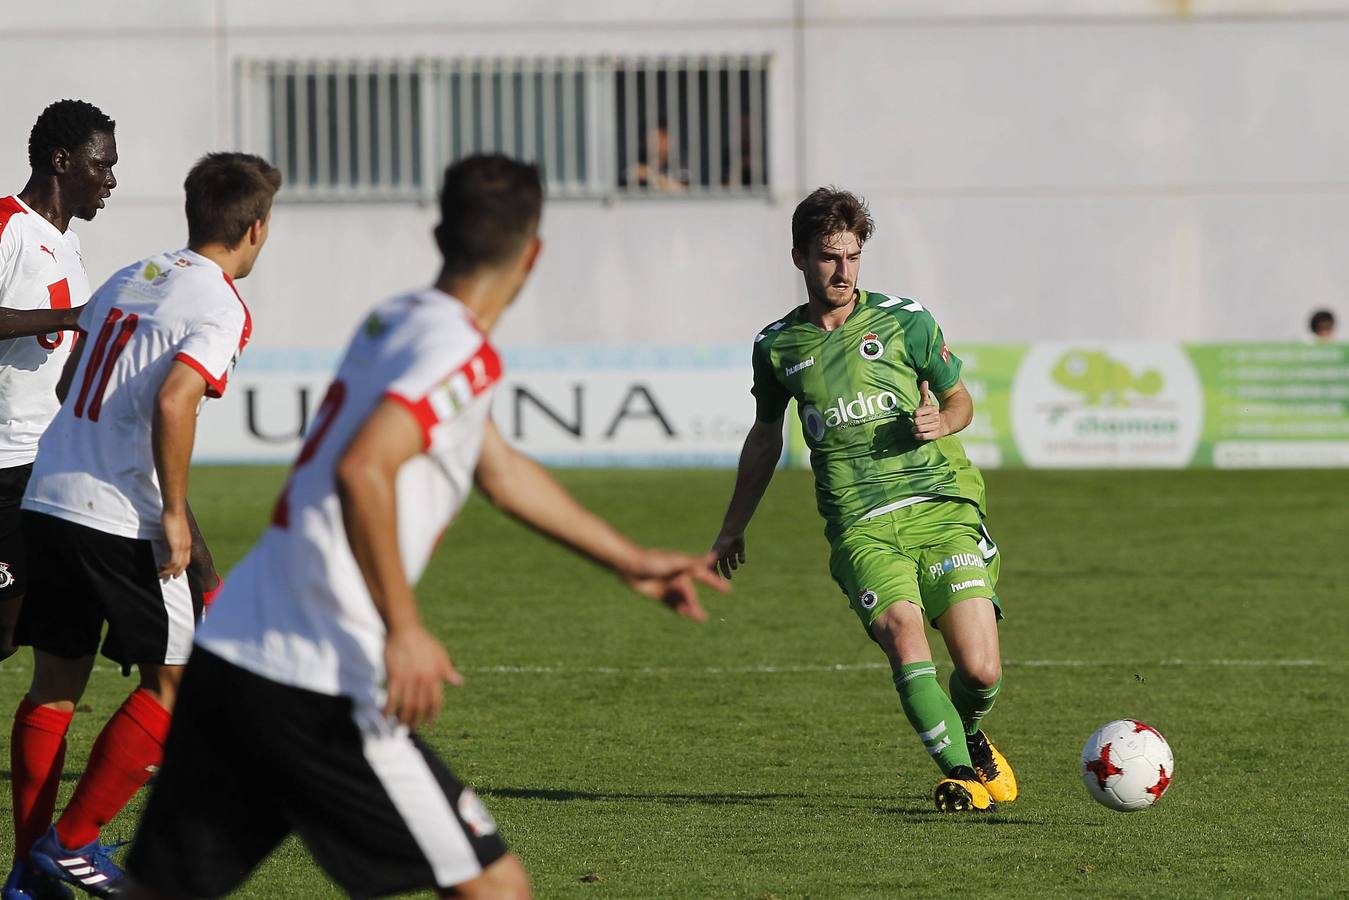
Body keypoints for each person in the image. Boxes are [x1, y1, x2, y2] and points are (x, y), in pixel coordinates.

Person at [120, 154, 727, 900]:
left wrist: (629, 560)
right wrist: (403, 628)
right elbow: (363, 470)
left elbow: (496, 469)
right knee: (494, 888)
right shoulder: (460, 351)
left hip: (234, 651)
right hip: (318, 678)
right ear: (532, 255)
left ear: (439, 233)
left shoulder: (394, 319)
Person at [6, 153, 279, 900]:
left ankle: (27, 874)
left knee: (54, 687)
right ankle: (73, 841)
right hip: (114, 513)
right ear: (254, 229)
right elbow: (174, 402)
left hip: (48, 491)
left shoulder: (130, 273)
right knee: (177, 684)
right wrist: (173, 516)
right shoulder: (220, 304)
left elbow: (67, 383)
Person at [710, 187, 1016, 813]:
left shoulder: (908, 321)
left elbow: (960, 400)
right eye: (829, 257)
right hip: (862, 524)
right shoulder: (778, 347)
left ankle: (971, 730)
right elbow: (767, 436)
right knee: (904, 635)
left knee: (981, 671)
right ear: (799, 257)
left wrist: (944, 423)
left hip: (940, 505)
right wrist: (733, 526)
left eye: (853, 256)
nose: (844, 271)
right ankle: (960, 774)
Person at [0, 100, 118, 668]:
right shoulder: (8, 226)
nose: (111, 180)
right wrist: (73, 317)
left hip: (50, 462)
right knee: (7, 629)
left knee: (43, 627)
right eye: (103, 165)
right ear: (62, 161)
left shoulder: (68, 244)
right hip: (5, 464)